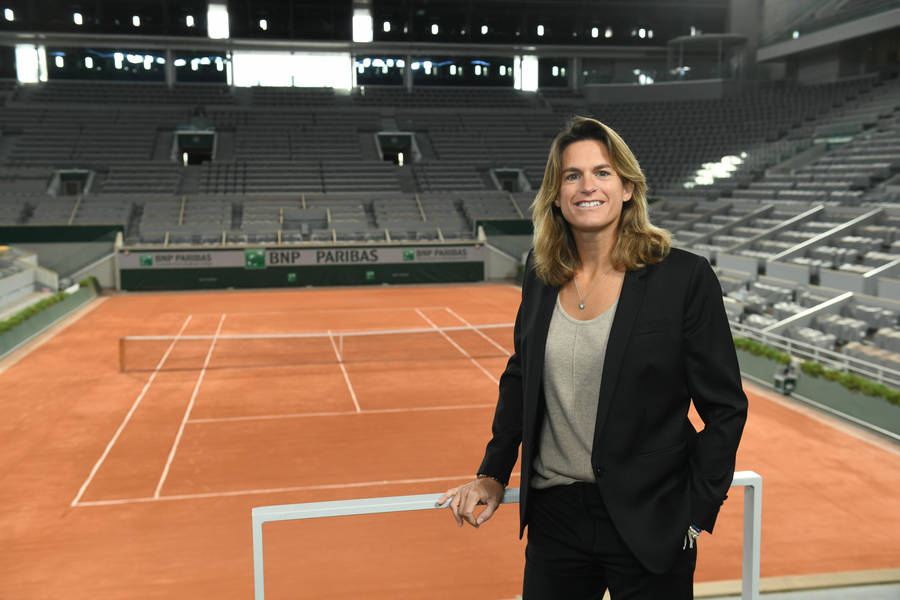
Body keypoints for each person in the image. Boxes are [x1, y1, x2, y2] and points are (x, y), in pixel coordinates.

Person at [438, 117, 748, 599]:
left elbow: (726, 407)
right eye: (572, 176)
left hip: (651, 518)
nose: (587, 187)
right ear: (557, 194)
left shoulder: (683, 278)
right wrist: (493, 472)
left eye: (602, 173)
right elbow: (520, 376)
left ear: (627, 187)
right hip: (556, 520)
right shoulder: (541, 274)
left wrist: (694, 514)